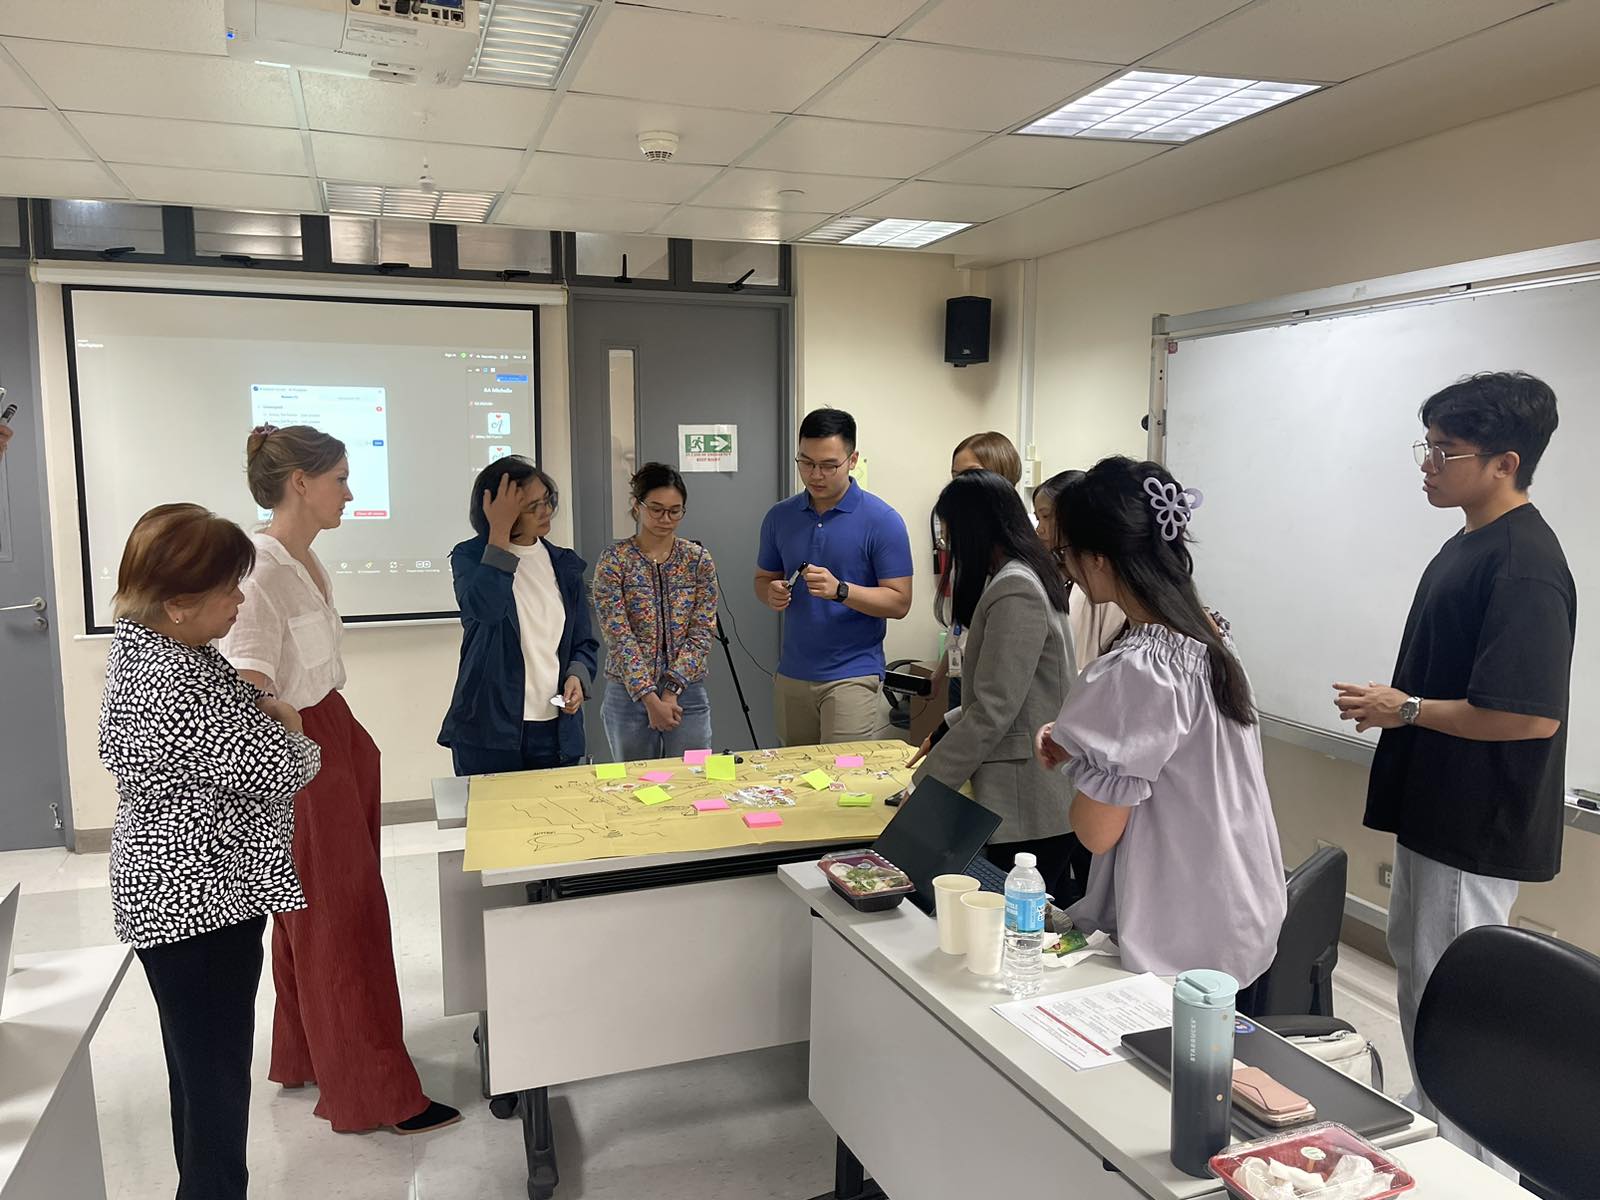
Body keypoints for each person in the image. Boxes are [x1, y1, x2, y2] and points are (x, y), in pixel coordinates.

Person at [1333, 372, 1573, 1169]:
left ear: (1505, 461)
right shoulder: (1470, 540)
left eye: (1445, 449)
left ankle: (1464, 1157)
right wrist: (1400, 707)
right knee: (1420, 975)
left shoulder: (1526, 564)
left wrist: (1403, 709)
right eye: (1428, 445)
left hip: (1475, 823)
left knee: (1453, 1000)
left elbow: (1528, 714)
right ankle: (1435, 1122)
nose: (1428, 463)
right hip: (1437, 808)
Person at [222, 425, 459, 1135]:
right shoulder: (260, 567)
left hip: (334, 733)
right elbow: (249, 682)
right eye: (340, 480)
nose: (350, 493)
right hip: (304, 750)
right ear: (300, 481)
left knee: (317, 914)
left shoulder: (302, 560)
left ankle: (308, 1053)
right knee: (337, 918)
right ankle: (374, 1090)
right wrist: (292, 750)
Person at [99, 503, 322, 1199]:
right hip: (197, 905)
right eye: (229, 588)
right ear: (177, 603)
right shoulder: (178, 680)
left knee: (198, 1079)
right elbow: (278, 767)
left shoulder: (146, 646)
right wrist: (293, 730)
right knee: (216, 1086)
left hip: (177, 896)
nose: (240, 600)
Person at [1035, 457, 1287, 985]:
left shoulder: (1139, 668)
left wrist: (1084, 766)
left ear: (1098, 558)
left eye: (1065, 554)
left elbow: (1096, 831)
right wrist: (1084, 746)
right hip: (1236, 893)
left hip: (1180, 921)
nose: (1069, 570)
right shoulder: (1207, 630)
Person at [907, 471, 1080, 900]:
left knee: (1015, 935)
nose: (950, 548)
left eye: (951, 537)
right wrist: (947, 726)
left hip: (1028, 800)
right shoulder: (1021, 577)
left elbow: (995, 708)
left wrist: (927, 787)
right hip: (1026, 794)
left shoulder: (1015, 588)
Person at [755, 408, 913, 745]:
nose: (815, 474)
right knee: (796, 781)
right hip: (792, 672)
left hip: (852, 673)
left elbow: (900, 602)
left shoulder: (882, 520)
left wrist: (841, 590)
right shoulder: (780, 517)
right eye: (806, 462)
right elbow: (762, 579)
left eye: (829, 465)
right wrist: (770, 593)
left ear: (852, 459)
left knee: (842, 781)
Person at [440, 455, 598, 773]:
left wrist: (577, 677)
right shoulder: (470, 557)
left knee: (557, 822)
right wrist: (498, 535)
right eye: (531, 506)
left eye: (548, 500)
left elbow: (584, 642)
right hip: (489, 731)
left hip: (556, 730)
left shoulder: (565, 564)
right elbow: (486, 609)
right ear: (501, 513)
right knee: (494, 823)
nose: (546, 511)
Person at [593, 462, 720, 761]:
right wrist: (650, 697)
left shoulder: (697, 559)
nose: (666, 519)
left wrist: (671, 691)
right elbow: (618, 635)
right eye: (656, 509)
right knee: (638, 787)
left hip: (686, 691)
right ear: (637, 507)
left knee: (694, 779)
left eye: (675, 511)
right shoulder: (615, 560)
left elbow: (703, 630)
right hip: (629, 693)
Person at [936, 431, 1024, 710]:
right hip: (961, 672)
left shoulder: (1019, 554)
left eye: (971, 474)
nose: (963, 485)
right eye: (956, 476)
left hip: (995, 681)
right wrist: (940, 675)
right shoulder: (966, 542)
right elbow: (961, 623)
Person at [1034, 469, 1126, 667]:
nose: (1039, 529)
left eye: (1047, 516)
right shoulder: (1043, 573)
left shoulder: (1101, 579)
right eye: (1038, 518)